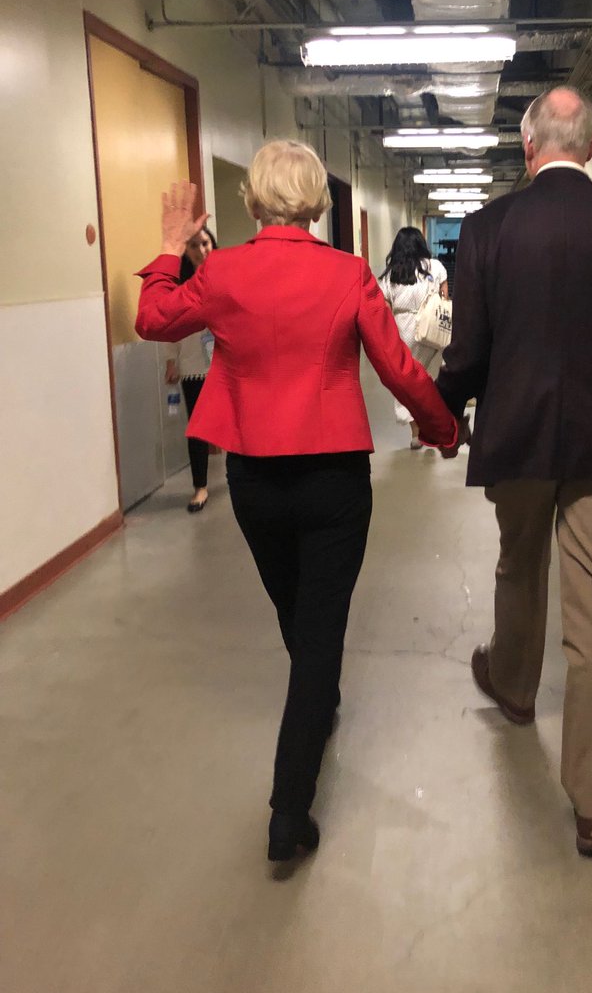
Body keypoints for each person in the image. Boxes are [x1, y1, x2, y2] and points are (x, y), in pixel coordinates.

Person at [134, 142, 459, 864]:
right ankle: (289, 810)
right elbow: (399, 368)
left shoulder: (222, 271)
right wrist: (443, 429)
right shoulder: (347, 273)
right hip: (333, 478)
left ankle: (315, 703)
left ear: (252, 201)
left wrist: (170, 247)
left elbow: (152, 318)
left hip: (255, 478)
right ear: (317, 203)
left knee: (296, 611)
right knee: (317, 630)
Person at [436, 87, 592, 858]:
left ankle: (514, 688)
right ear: (590, 146)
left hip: (515, 437)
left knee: (519, 563)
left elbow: (468, 354)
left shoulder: (485, 230)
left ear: (528, 147)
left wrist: (442, 414)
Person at [379, 227, 449, 449]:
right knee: (430, 379)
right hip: (432, 329)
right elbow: (444, 298)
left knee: (407, 381)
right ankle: (432, 428)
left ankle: (416, 433)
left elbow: (385, 309)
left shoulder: (391, 273)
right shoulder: (435, 267)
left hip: (404, 331)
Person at [163, 226, 217, 512]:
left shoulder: (226, 279)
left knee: (234, 423)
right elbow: (171, 328)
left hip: (224, 364)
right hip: (193, 365)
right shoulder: (179, 289)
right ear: (186, 252)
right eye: (194, 246)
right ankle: (200, 487)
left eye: (205, 243)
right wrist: (171, 361)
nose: (201, 250)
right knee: (197, 428)